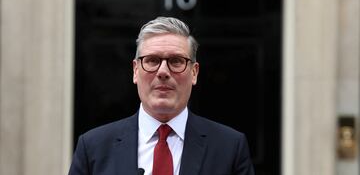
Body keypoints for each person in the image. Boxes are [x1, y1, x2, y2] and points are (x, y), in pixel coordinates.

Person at [68, 17, 255, 175]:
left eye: (176, 61)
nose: (163, 72)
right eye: (152, 60)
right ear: (135, 71)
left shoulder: (230, 148)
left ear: (194, 73)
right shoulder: (93, 148)